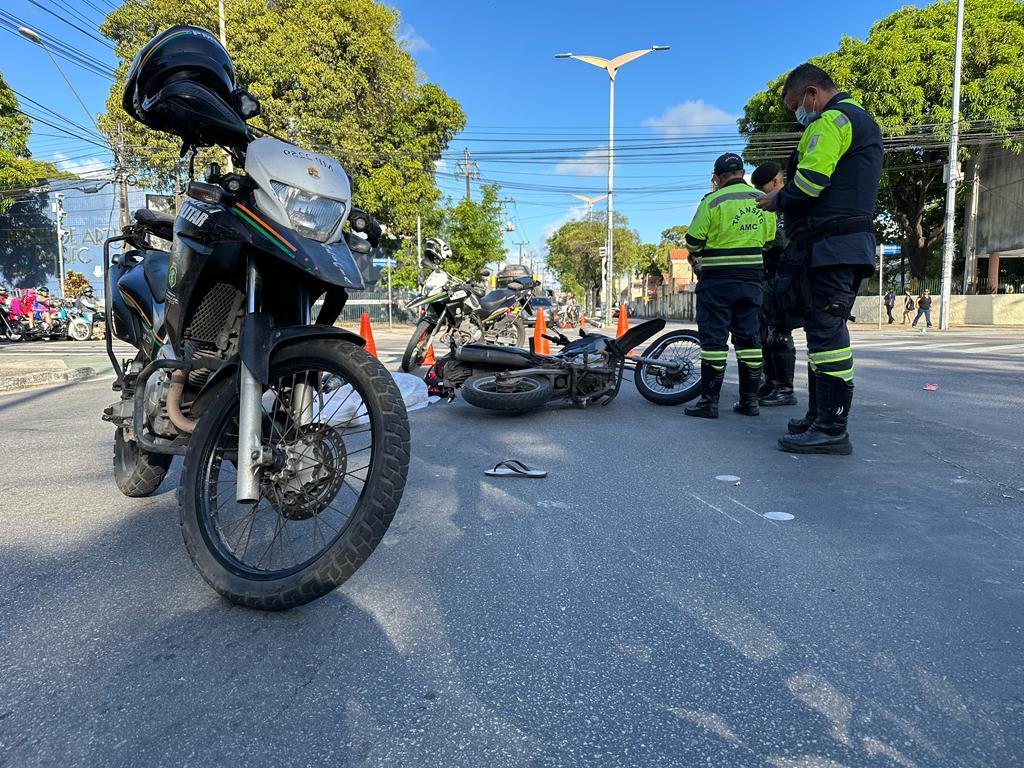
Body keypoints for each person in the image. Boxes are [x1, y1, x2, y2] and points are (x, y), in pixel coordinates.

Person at [757, 63, 883, 455]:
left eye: (797, 104)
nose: (799, 114)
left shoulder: (831, 120)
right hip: (836, 247)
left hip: (831, 247)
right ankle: (818, 416)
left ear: (812, 93)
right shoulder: (857, 119)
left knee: (827, 336)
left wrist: (777, 200)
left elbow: (810, 184)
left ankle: (831, 427)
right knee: (820, 333)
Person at [683, 152, 779, 419]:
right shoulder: (762, 200)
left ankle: (709, 402)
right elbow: (770, 239)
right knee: (749, 340)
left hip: (717, 282)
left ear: (716, 177)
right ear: (742, 172)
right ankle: (750, 401)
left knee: (714, 343)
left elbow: (693, 241)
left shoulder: (713, 201)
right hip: (750, 281)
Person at [751, 161, 797, 407]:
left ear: (776, 183)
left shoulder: (786, 204)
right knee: (767, 333)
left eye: (763, 188)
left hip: (784, 276)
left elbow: (780, 241)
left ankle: (785, 388)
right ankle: (771, 381)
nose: (761, 194)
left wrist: (756, 241)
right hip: (770, 277)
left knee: (779, 333)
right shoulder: (774, 205)